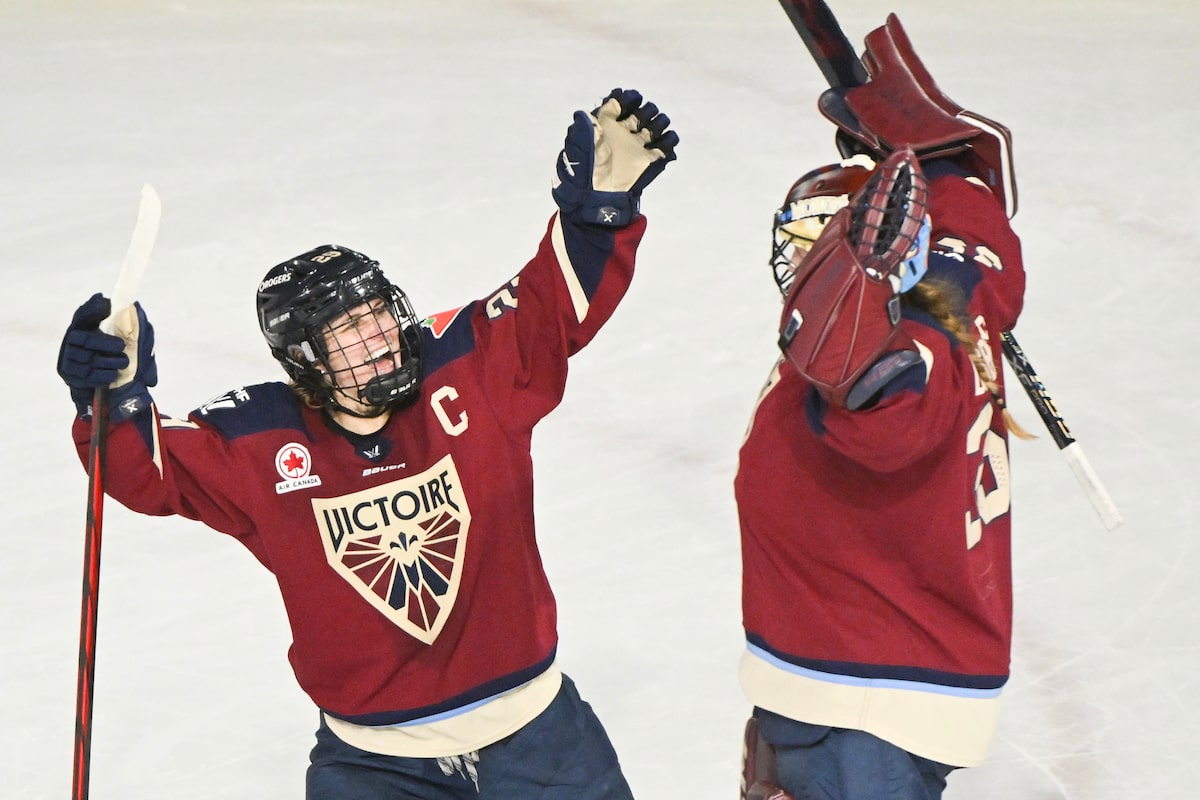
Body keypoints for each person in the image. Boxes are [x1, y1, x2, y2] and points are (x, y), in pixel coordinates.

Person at [57, 88, 677, 799]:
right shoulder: (260, 440)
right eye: (348, 330)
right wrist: (112, 392)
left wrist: (596, 219)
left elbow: (550, 305)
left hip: (542, 742)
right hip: (373, 767)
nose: (378, 337)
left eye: (379, 314)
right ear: (304, 359)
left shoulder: (465, 368)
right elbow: (145, 471)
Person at [735, 15, 1030, 800]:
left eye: (827, 247)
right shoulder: (958, 297)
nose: (808, 263)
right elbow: (978, 233)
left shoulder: (892, 368)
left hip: (860, 703)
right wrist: (941, 162)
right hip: (857, 678)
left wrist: (857, 339)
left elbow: (886, 405)